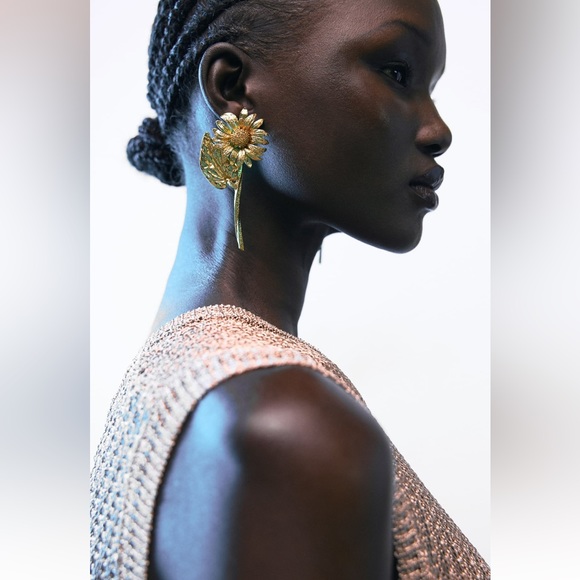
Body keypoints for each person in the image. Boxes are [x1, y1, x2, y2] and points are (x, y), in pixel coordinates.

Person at [91, 0, 490, 578]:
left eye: (430, 87)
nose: (438, 130)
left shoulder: (176, 384)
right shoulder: (282, 427)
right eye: (397, 72)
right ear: (233, 87)